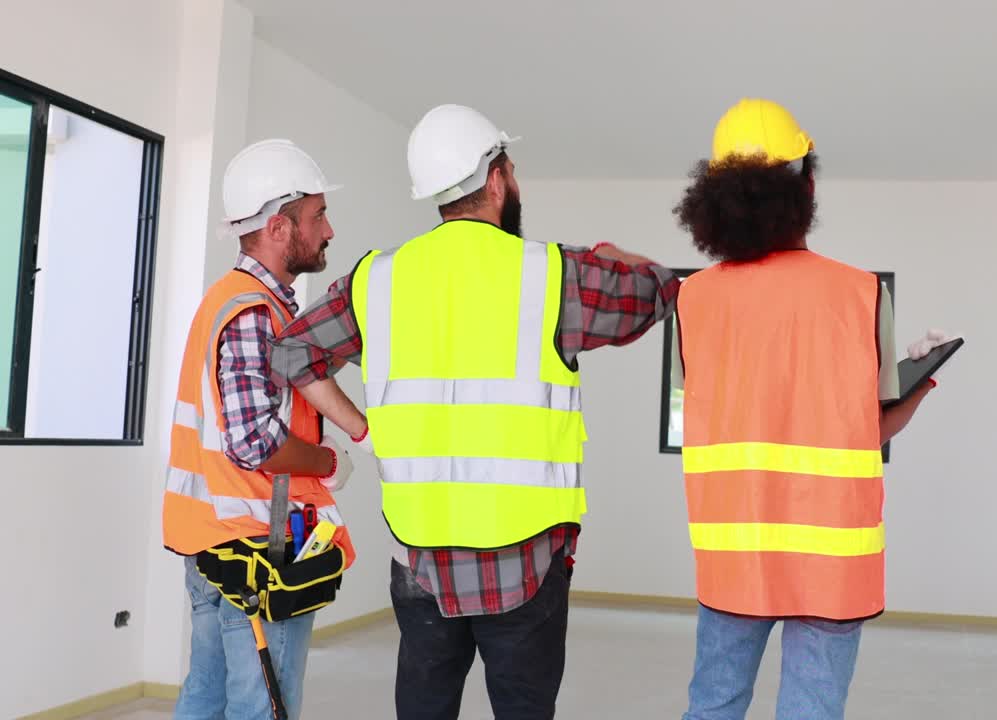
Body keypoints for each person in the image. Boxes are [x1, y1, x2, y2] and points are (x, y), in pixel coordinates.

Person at [269, 104, 681, 720]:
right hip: (527, 561)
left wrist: (360, 426)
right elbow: (657, 290)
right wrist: (612, 251)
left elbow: (292, 351)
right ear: (495, 181)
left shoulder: (375, 279)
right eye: (509, 171)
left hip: (420, 558)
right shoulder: (554, 275)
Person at [672, 99, 942, 720]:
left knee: (712, 706)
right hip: (832, 559)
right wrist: (920, 385)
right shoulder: (860, 292)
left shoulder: (694, 300)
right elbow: (870, 429)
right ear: (807, 187)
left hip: (734, 552)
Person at [163, 139, 368, 719]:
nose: (328, 230)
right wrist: (328, 461)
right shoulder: (255, 311)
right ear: (279, 227)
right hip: (257, 548)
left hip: (211, 540)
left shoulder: (231, 301)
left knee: (204, 695)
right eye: (317, 215)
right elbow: (254, 442)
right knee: (261, 707)